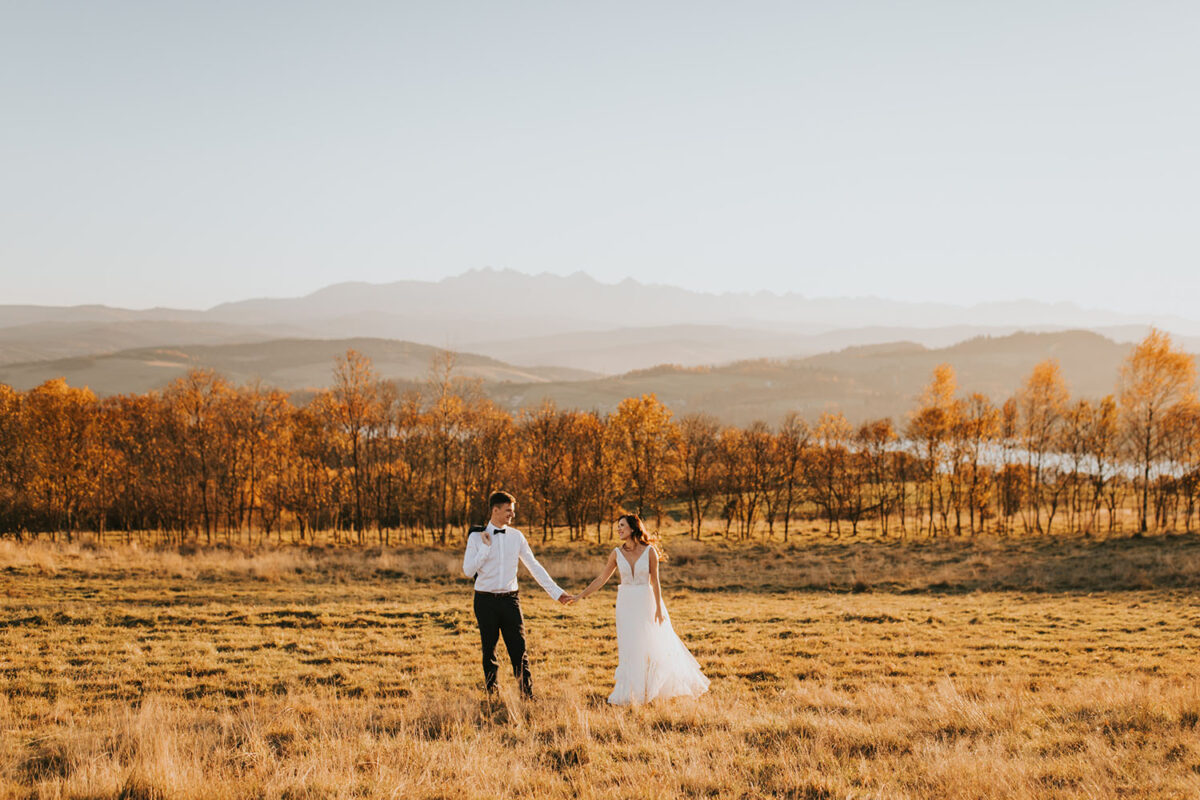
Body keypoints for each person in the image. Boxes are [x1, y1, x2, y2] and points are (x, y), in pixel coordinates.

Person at [576, 513, 709, 705]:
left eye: (622, 525)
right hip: (625, 604)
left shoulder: (649, 551)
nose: (619, 529)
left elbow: (655, 582)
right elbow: (601, 579)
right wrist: (580, 595)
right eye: (618, 527)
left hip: (646, 602)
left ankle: (651, 689)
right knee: (630, 647)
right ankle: (631, 692)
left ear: (633, 527)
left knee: (650, 645)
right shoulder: (616, 553)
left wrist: (658, 608)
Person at [462, 491, 574, 697]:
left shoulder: (516, 537)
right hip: (485, 600)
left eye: (512, 512)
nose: (512, 515)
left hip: (510, 600)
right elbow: (468, 571)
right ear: (495, 510)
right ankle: (491, 693)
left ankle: (526, 694)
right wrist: (485, 548)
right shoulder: (476, 537)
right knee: (489, 650)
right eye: (508, 511)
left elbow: (534, 566)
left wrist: (557, 593)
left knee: (519, 649)